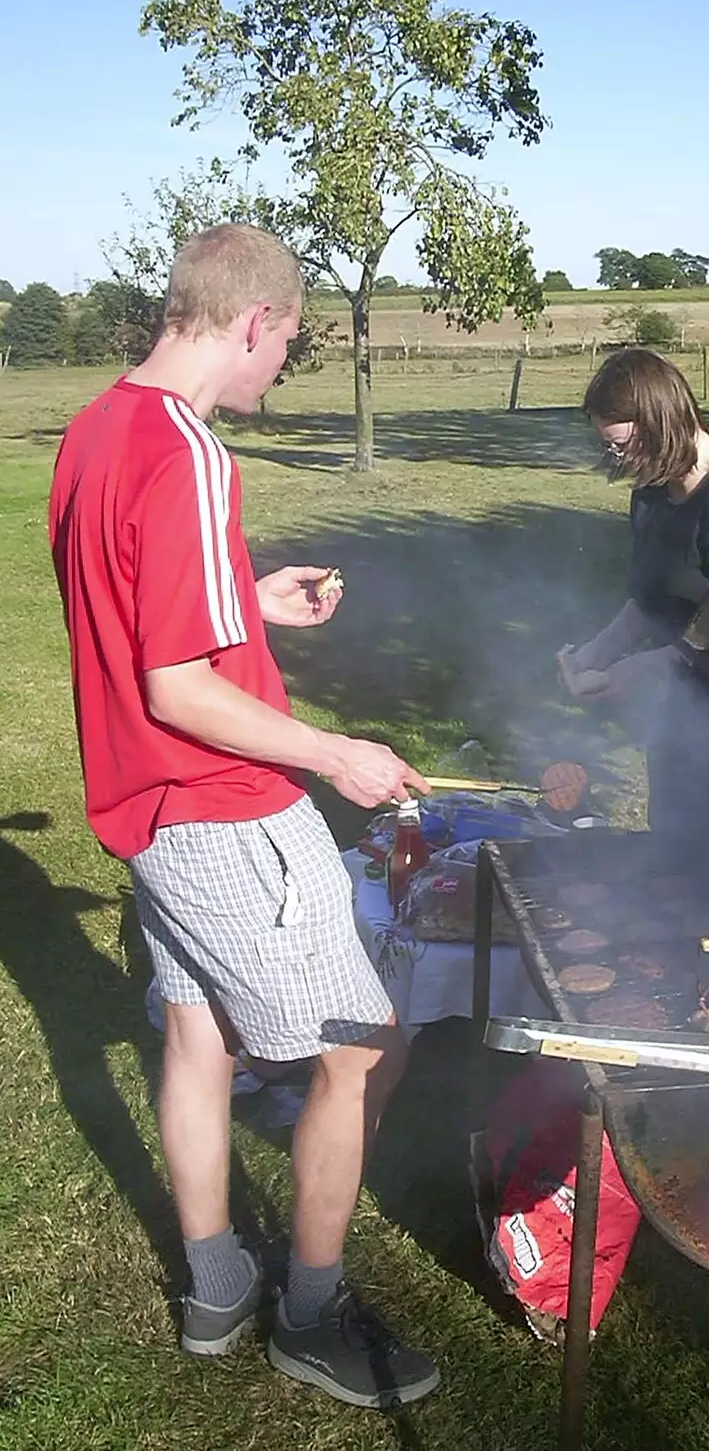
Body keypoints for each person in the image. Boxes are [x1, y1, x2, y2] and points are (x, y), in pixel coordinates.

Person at [48, 224, 440, 1410]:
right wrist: (334, 752)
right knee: (359, 1047)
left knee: (193, 1034)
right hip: (226, 814)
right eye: (288, 347)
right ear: (256, 321)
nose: (280, 372)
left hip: (145, 813)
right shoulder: (192, 452)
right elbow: (174, 684)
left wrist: (244, 603)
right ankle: (310, 1317)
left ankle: (216, 1282)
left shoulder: (96, 426)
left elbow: (137, 617)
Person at [558, 346, 709, 702]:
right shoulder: (653, 489)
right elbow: (650, 600)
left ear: (660, 422)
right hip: (673, 704)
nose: (618, 459)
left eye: (621, 446)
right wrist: (594, 654)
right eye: (610, 448)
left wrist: (646, 667)